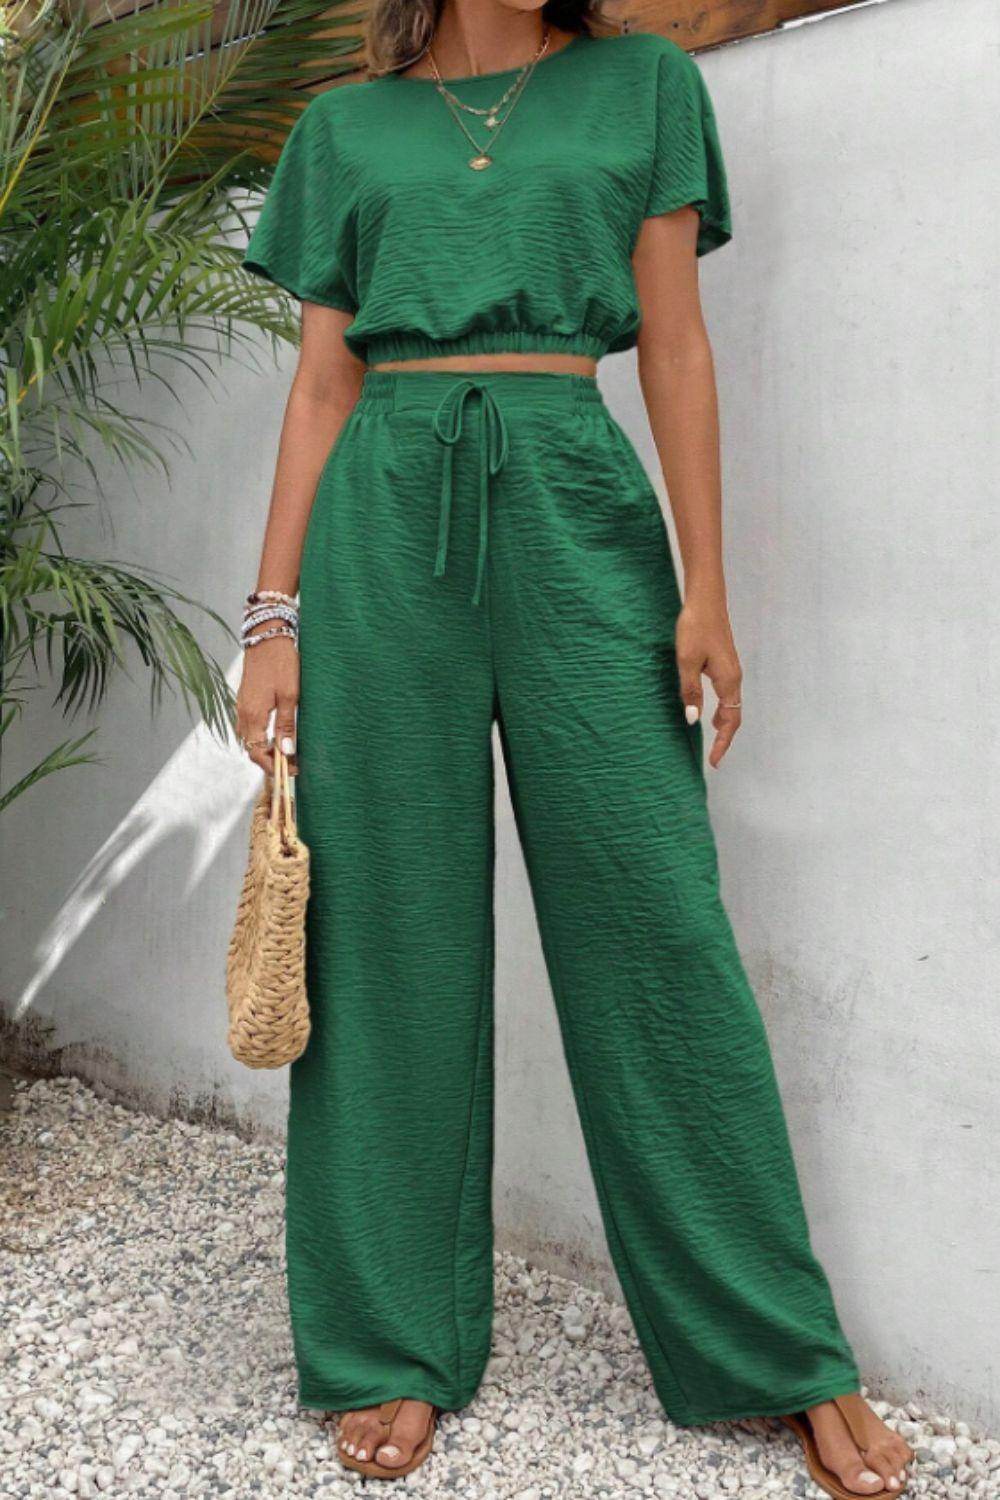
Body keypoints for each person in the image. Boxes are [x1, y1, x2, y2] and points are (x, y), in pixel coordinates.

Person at [235, 2, 914, 1493]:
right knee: (385, 935)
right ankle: (390, 1340)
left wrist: (706, 588)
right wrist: (272, 616)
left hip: (575, 504)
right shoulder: (344, 127)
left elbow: (674, 341)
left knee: (657, 922)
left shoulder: (644, 85)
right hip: (382, 525)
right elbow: (323, 384)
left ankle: (774, 1348)